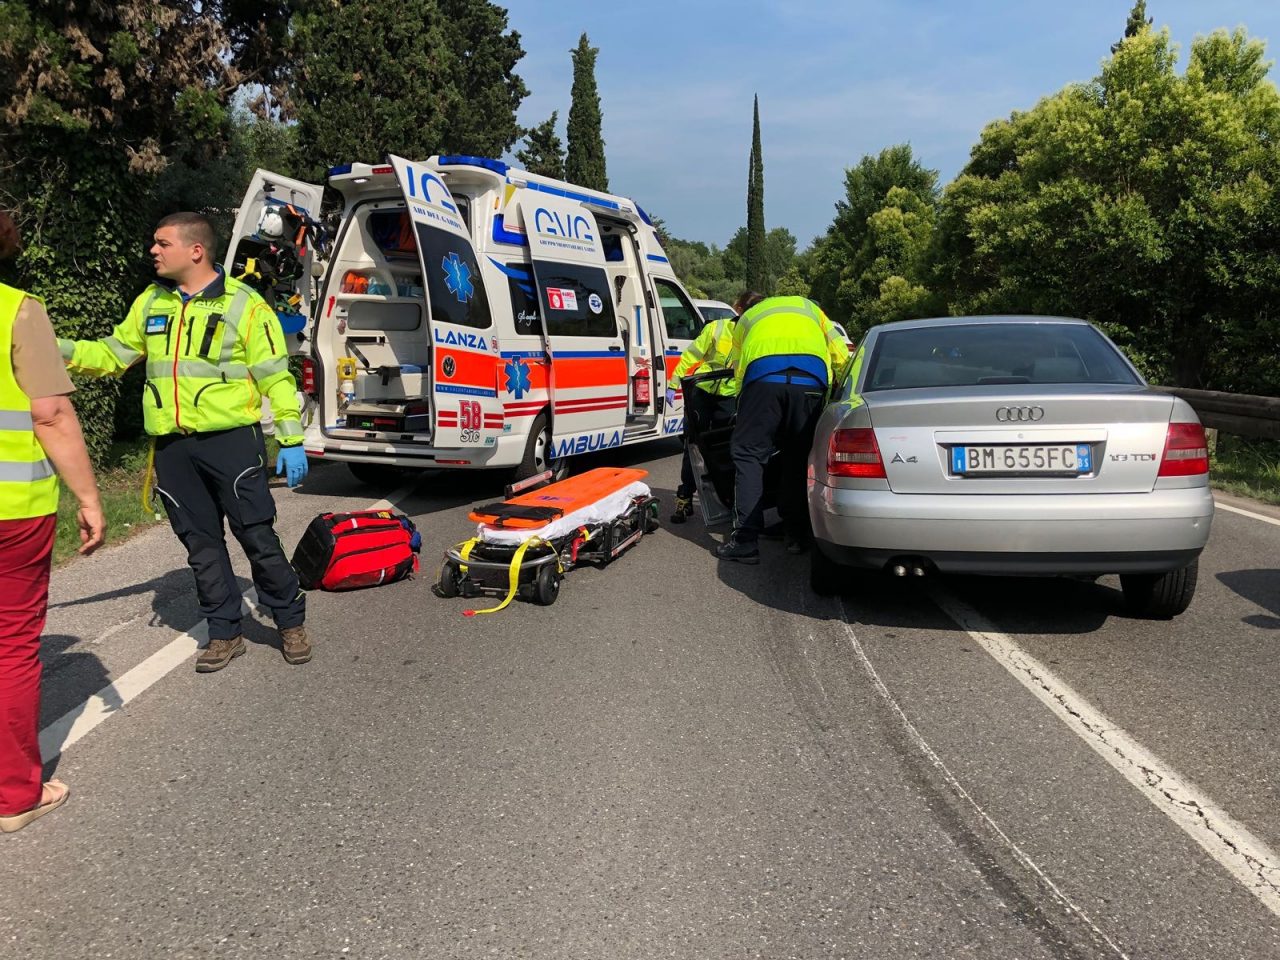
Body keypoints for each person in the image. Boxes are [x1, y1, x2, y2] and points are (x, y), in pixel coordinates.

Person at [59, 212, 312, 673]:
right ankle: (224, 632)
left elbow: (275, 376)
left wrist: (291, 437)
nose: (153, 251)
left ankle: (290, 621)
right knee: (200, 544)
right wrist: (57, 348)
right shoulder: (151, 303)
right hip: (175, 449)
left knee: (256, 535)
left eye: (162, 243)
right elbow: (112, 354)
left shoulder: (245, 305)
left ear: (195, 250)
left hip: (232, 442)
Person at [0, 210, 106, 833]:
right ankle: (14, 795)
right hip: (11, 511)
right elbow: (50, 414)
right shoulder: (17, 309)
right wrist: (89, 497)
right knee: (11, 646)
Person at [716, 295, 850, 564]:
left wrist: (743, 402)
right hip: (811, 382)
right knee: (799, 456)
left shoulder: (749, 317)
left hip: (763, 379)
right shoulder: (811, 309)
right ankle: (795, 534)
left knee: (749, 455)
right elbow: (841, 355)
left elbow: (738, 366)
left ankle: (745, 540)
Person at [667, 294, 743, 523]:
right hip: (703, 393)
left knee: (726, 449)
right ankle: (685, 497)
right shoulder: (717, 328)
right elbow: (691, 354)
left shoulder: (755, 335)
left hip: (729, 397)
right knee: (692, 445)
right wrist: (674, 383)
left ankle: (729, 499)